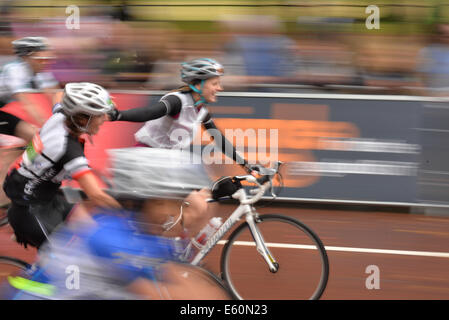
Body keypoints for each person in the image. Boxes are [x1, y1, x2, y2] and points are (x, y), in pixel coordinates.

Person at [1, 147, 229, 300]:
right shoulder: (111, 236)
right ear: (139, 202)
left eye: (178, 203)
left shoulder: (143, 232)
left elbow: (182, 278)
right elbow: (163, 294)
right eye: (166, 203)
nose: (174, 212)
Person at [107, 58, 260, 236]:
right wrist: (118, 115)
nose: (220, 88)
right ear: (198, 84)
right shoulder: (177, 101)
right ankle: (163, 246)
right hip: (148, 160)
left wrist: (246, 164)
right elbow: (150, 112)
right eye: (215, 83)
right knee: (194, 206)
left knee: (205, 202)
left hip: (166, 163)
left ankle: (172, 243)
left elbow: (218, 139)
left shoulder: (200, 109)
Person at [2, 82, 121, 249]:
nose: (104, 119)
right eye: (100, 115)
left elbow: (59, 95)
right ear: (82, 119)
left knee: (95, 238)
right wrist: (127, 212)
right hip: (29, 209)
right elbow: (96, 195)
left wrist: (103, 104)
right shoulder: (68, 148)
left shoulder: (61, 116)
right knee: (69, 257)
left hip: (46, 197)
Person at [0, 36, 62, 206]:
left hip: (2, 112)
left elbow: (55, 96)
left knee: (36, 139)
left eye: (48, 58)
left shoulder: (40, 71)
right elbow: (27, 104)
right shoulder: (15, 70)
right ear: (27, 56)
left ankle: (23, 173)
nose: (45, 62)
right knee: (38, 138)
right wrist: (47, 125)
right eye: (41, 58)